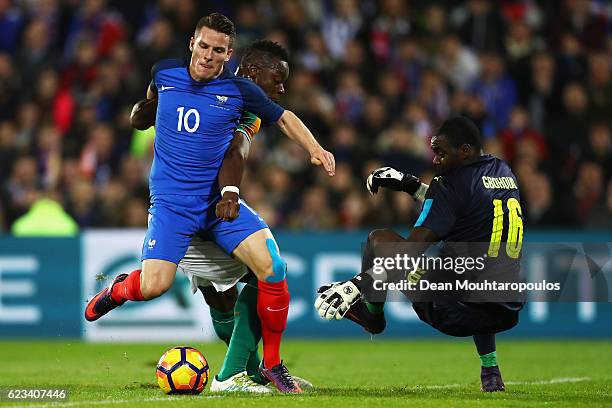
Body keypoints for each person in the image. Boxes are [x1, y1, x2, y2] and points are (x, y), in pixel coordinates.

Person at [85, 13, 335, 394]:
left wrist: (315, 149)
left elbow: (284, 119)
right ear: (192, 43)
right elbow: (150, 106)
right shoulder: (165, 72)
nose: (208, 55)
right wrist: (142, 112)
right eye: (204, 46)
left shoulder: (239, 91)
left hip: (215, 204)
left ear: (227, 53)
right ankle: (118, 291)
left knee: (272, 265)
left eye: (218, 50)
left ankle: (271, 366)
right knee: (154, 286)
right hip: (172, 205)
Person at [132, 39, 312, 393]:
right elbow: (235, 150)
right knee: (254, 282)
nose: (282, 88)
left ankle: (252, 371)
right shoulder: (230, 97)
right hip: (191, 212)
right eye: (277, 79)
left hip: (198, 213)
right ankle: (236, 375)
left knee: (229, 296)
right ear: (253, 73)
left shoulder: (245, 102)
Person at [315, 116, 524, 392]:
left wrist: (355, 284)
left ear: (464, 151)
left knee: (380, 241)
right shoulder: (502, 171)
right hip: (509, 309)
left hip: (458, 313)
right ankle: (491, 369)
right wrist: (410, 185)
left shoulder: (448, 184)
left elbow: (409, 252)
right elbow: (462, 207)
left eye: (441, 153)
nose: (435, 160)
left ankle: (371, 316)